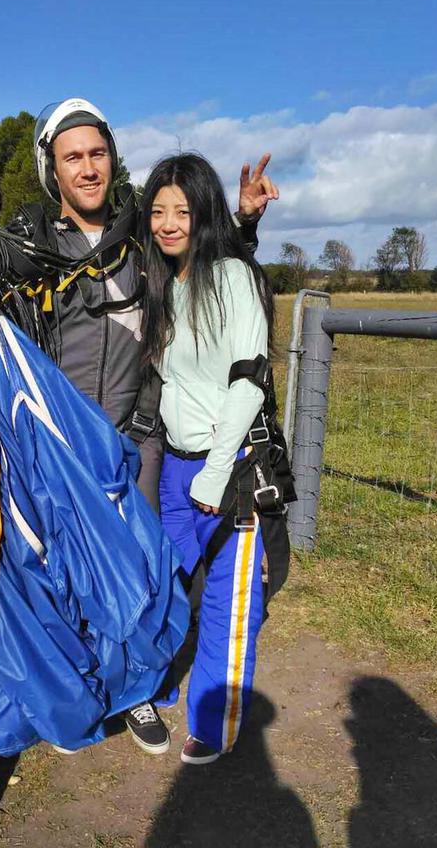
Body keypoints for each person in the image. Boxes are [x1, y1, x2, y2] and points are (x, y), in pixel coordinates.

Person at [24, 99, 277, 755]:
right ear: (52, 169)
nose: (88, 167)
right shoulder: (31, 253)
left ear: (112, 157)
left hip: (141, 445)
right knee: (63, 572)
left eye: (97, 153)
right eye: (73, 157)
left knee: (141, 572)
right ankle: (78, 695)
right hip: (61, 448)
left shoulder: (138, 240)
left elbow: (208, 263)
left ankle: (138, 691)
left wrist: (244, 224)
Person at [139, 152, 281, 765]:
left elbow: (248, 380)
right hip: (173, 466)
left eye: (183, 210)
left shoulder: (233, 279)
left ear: (204, 214)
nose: (169, 222)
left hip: (229, 471)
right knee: (169, 584)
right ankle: (159, 683)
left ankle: (213, 721)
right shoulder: (166, 284)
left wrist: (218, 472)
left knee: (228, 597)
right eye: (158, 210)